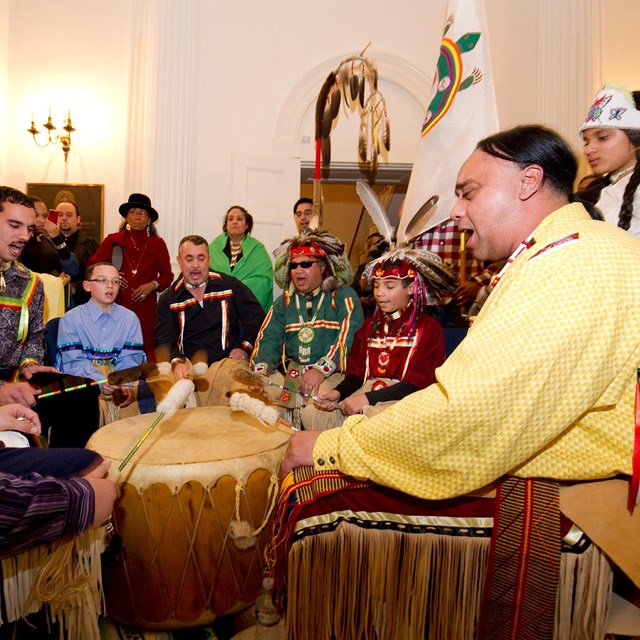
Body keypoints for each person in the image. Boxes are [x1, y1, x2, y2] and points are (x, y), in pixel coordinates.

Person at [282, 123, 640, 498]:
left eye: (468, 194)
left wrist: (331, 447)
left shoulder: (569, 263)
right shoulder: (566, 252)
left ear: (528, 182)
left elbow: (471, 417)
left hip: (590, 504)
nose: (455, 212)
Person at [0, 186, 100, 447]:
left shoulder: (30, 282)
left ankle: (67, 477)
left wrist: (31, 365)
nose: (23, 236)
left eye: (30, 229)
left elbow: (34, 337)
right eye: (14, 225)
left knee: (84, 390)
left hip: (16, 378)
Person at [301, 250, 445, 431]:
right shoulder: (370, 326)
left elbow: (417, 384)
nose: (380, 293)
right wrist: (338, 393)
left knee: (373, 418)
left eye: (389, 287)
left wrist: (367, 399)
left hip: (403, 402)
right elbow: (357, 373)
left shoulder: (428, 328)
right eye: (376, 286)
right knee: (311, 414)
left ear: (411, 288)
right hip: (367, 392)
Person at [251, 232, 364, 425]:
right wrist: (260, 373)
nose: (298, 270)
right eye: (294, 265)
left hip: (332, 372)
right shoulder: (284, 302)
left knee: (316, 408)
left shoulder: (342, 296)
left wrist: (321, 370)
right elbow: (268, 339)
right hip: (290, 372)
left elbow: (348, 337)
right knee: (258, 401)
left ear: (322, 267)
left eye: (306, 264)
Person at [155, 235, 265, 405]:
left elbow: (258, 321)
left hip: (226, 365)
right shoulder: (169, 299)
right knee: (165, 383)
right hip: (189, 366)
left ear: (209, 259)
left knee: (244, 390)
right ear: (179, 261)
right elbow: (164, 340)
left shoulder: (230, 286)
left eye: (201, 258)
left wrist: (245, 348)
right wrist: (177, 362)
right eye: (189, 258)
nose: (195, 265)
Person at [88, 193, 173, 361]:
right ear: (126, 216)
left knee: (143, 351)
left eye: (142, 213)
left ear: (149, 219)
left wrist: (153, 284)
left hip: (145, 309)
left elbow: (167, 276)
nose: (137, 217)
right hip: (116, 304)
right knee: (113, 349)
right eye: (133, 212)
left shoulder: (157, 244)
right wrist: (111, 274)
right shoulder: (113, 241)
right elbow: (92, 266)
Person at [55, 262, 146, 415]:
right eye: (102, 280)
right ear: (87, 285)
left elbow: (130, 359)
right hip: (84, 383)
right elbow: (74, 363)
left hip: (120, 381)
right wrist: (99, 381)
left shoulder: (130, 319)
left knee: (130, 415)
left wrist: (122, 381)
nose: (110, 286)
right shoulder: (70, 319)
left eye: (116, 281)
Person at [580, 82, 640, 238]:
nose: (588, 149)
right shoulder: (605, 191)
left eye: (602, 138)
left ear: (636, 139)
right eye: (586, 142)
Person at [208, 205, 274, 312]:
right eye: (230, 219)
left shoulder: (257, 249)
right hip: (218, 310)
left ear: (247, 225)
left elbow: (264, 281)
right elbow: (206, 276)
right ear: (226, 225)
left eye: (239, 219)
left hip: (247, 312)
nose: (234, 222)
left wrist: (236, 289)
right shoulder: (213, 247)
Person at [20, 196, 79, 306]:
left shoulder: (48, 240)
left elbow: (73, 269)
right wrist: (54, 281)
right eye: (36, 215)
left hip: (52, 301)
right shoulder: (17, 240)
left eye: (44, 216)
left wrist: (57, 238)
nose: (42, 220)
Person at [55, 195, 99, 307]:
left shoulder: (92, 244)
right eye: (60, 215)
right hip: (51, 301)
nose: (64, 218)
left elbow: (97, 274)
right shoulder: (46, 242)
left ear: (78, 219)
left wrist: (75, 287)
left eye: (69, 215)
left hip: (81, 301)